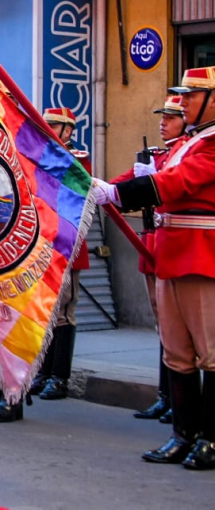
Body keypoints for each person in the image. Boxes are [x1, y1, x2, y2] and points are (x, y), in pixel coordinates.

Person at [94, 67, 215, 470]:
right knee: (177, 353)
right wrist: (108, 187)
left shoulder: (211, 144)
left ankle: (210, 439)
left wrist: (118, 192)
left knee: (210, 355)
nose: (181, 104)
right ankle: (183, 435)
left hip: (202, 256)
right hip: (170, 252)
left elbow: (178, 183)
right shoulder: (190, 142)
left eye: (191, 97)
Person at [125, 96, 187, 422]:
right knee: (162, 326)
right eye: (162, 116)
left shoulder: (187, 152)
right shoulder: (158, 155)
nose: (163, 122)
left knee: (178, 330)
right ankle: (166, 395)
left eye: (171, 116)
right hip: (152, 244)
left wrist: (151, 177)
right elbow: (122, 185)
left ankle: (180, 402)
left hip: (177, 247)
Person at [28, 107, 91, 401]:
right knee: (46, 312)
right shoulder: (40, 157)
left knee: (64, 312)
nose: (47, 129)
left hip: (65, 245)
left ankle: (60, 377)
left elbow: (75, 199)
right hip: (42, 246)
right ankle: (44, 370)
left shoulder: (77, 161)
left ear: (67, 131)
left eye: (53, 125)